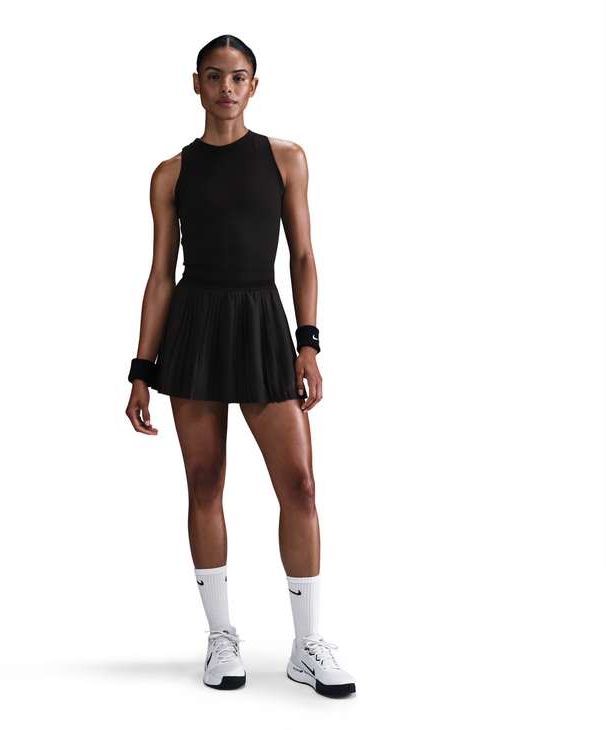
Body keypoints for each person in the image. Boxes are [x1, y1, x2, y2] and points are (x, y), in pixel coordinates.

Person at [125, 34, 355, 698]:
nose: (226, 87)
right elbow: (160, 275)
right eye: (215, 76)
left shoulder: (286, 158)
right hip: (194, 327)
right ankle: (220, 637)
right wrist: (141, 367)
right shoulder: (171, 173)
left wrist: (308, 342)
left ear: (254, 85)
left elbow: (304, 256)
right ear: (196, 83)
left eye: (238, 76)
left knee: (300, 486)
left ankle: (307, 645)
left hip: (261, 325)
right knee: (204, 482)